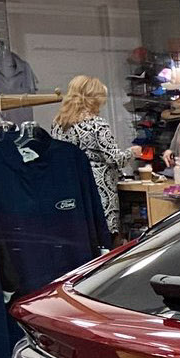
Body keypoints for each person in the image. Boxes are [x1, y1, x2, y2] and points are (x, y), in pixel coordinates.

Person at [48, 75, 128, 242]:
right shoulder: (97, 124)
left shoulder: (58, 124)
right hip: (98, 188)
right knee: (107, 237)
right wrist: (133, 152)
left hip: (68, 186)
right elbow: (115, 159)